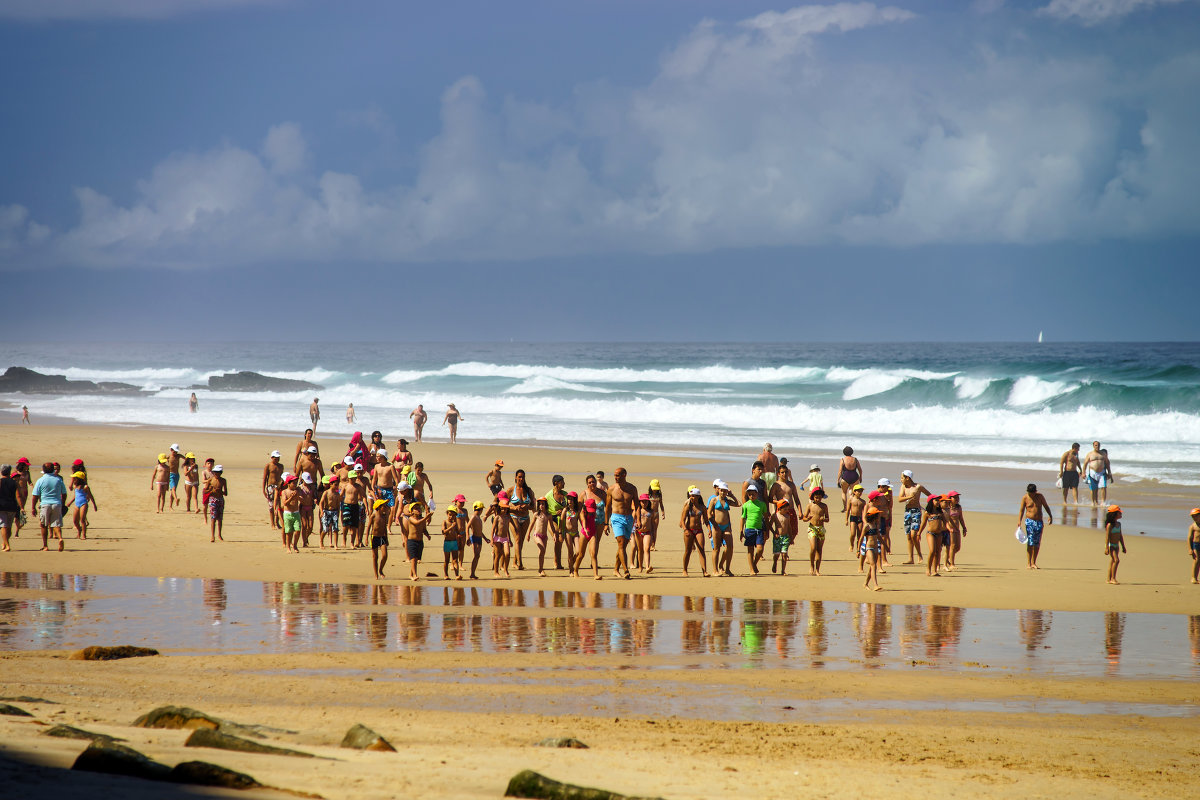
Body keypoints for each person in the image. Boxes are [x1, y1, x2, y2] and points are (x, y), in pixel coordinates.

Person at [605, 467, 637, 579]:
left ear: (624, 475)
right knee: (621, 543)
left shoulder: (632, 489)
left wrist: (638, 520)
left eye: (618, 475)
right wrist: (605, 523)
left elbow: (637, 506)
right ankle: (626, 570)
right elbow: (607, 507)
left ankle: (615, 569)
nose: (615, 477)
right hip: (616, 518)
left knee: (622, 545)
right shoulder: (611, 489)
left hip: (629, 518)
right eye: (614, 475)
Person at [31, 462, 66, 552]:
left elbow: (35, 495)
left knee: (43, 525)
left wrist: (33, 507)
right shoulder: (58, 480)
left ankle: (45, 546)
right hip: (57, 504)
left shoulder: (40, 480)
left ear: (43, 470)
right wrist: (63, 504)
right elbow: (64, 493)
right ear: (53, 470)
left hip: (45, 504)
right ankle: (60, 538)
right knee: (56, 524)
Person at [897, 470, 930, 565]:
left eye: (902, 478)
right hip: (907, 511)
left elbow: (930, 495)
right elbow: (899, 499)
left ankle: (919, 554)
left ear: (908, 478)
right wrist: (909, 497)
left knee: (913, 535)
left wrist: (929, 508)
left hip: (916, 511)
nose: (901, 480)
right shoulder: (903, 486)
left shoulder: (918, 487)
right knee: (908, 536)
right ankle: (910, 559)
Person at [1017, 483, 1053, 569]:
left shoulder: (1040, 496)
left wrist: (1050, 516)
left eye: (1032, 493)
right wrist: (1019, 521)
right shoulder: (1025, 498)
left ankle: (1034, 562)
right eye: (1029, 493)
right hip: (1029, 521)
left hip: (1039, 522)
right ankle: (1028, 563)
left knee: (1037, 543)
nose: (1031, 495)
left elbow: (1046, 506)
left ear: (1035, 492)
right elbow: (1021, 510)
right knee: (1030, 541)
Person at [708, 480, 739, 577]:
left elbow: (738, 504)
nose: (723, 492)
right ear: (718, 490)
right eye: (722, 490)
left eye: (725, 491)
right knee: (716, 549)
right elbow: (709, 514)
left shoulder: (727, 501)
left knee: (730, 547)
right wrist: (714, 525)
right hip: (716, 527)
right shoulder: (714, 500)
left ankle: (727, 569)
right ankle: (715, 570)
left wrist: (732, 495)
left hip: (726, 527)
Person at [680, 487, 710, 577]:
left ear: (698, 496)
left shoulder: (702, 507)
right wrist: (685, 529)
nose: (691, 498)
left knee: (701, 550)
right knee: (688, 551)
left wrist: (709, 530)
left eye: (693, 496)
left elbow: (706, 520)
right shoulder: (688, 507)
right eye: (691, 496)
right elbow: (682, 520)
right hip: (689, 530)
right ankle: (685, 570)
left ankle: (704, 571)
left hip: (699, 530)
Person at [508, 469, 534, 570]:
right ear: (515, 477)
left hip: (525, 518)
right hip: (514, 517)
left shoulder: (528, 490)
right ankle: (520, 563)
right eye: (519, 477)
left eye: (523, 477)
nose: (521, 479)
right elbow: (503, 505)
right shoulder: (511, 490)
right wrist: (514, 508)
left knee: (520, 541)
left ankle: (514, 562)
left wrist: (527, 507)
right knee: (518, 539)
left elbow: (533, 506)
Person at [572, 498, 604, 580]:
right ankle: (575, 570)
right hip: (584, 534)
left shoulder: (594, 512)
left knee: (593, 554)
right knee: (581, 555)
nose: (591, 511)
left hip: (593, 533)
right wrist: (585, 529)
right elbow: (583, 521)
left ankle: (595, 575)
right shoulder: (582, 513)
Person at [740, 483, 768, 576]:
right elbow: (743, 518)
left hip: (759, 529)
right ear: (748, 495)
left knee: (760, 549)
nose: (752, 496)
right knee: (750, 550)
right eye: (750, 494)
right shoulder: (746, 505)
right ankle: (751, 569)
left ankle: (754, 564)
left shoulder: (762, 504)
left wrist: (767, 529)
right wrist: (741, 530)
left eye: (753, 494)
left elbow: (766, 518)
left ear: (757, 494)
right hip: (749, 529)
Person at [402, 501, 433, 581]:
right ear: (411, 511)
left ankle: (411, 574)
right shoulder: (411, 519)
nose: (418, 509)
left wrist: (427, 535)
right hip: (411, 541)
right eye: (415, 508)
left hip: (420, 542)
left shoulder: (422, 519)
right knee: (413, 559)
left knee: (415, 560)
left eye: (419, 508)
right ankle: (415, 575)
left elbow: (424, 529)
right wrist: (426, 517)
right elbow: (417, 523)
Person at [916, 495, 945, 577]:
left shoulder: (940, 512)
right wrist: (919, 533)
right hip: (930, 533)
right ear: (931, 501)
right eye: (936, 500)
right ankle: (928, 569)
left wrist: (949, 528)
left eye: (938, 500)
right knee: (932, 551)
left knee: (938, 552)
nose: (938, 502)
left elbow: (946, 522)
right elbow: (923, 524)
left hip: (939, 534)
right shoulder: (927, 513)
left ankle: (934, 570)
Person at [804, 487, 830, 576]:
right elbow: (804, 518)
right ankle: (811, 565)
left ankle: (817, 569)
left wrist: (824, 519)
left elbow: (828, 518)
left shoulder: (824, 506)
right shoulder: (810, 505)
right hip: (812, 528)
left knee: (819, 550)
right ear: (813, 497)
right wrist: (807, 518)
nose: (818, 499)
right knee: (813, 548)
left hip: (821, 529)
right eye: (816, 497)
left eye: (819, 497)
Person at [0, 465, 24, 551]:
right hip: (12, 506)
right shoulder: (15, 482)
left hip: (2, 506)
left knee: (3, 525)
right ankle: (5, 542)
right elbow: (19, 495)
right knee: (9, 526)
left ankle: (7, 545)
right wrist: (21, 507)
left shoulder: (0, 481)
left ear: (1, 471)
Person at [67, 471, 98, 539]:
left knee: (82, 520)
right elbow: (75, 496)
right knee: (75, 521)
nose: (73, 479)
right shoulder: (75, 486)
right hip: (76, 504)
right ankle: (79, 531)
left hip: (83, 503)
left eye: (75, 478)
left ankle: (84, 535)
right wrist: (70, 502)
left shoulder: (85, 487)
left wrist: (94, 505)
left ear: (79, 479)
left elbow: (91, 496)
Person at [943, 490, 967, 570]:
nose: (957, 499)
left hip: (957, 529)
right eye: (955, 497)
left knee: (957, 547)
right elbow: (946, 519)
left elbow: (961, 518)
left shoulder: (958, 507)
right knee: (952, 546)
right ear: (950, 498)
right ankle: (952, 564)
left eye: (958, 497)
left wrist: (964, 527)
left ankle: (947, 557)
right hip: (950, 529)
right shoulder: (947, 508)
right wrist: (949, 528)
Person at [633, 493, 657, 574]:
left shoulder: (651, 511)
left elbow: (653, 524)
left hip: (648, 532)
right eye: (642, 501)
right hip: (638, 532)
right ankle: (640, 566)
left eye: (646, 502)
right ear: (640, 502)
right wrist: (632, 530)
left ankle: (647, 567)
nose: (644, 503)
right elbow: (632, 521)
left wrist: (654, 535)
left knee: (646, 549)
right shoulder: (637, 510)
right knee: (640, 550)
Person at [1082, 441, 1111, 506]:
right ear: (1093, 446)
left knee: (1103, 487)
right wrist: (1083, 472)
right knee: (1094, 489)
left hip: (1102, 473)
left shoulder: (1103, 453)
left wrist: (1109, 472)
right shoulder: (1090, 454)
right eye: (1096, 445)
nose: (1097, 446)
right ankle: (1094, 502)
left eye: (1098, 445)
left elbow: (1107, 463)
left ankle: (1103, 502)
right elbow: (1085, 464)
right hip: (1093, 473)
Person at [529, 498, 553, 576]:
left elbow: (552, 526)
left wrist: (555, 534)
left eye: (543, 504)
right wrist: (528, 534)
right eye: (540, 504)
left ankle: (541, 570)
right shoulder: (536, 514)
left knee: (542, 553)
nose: (541, 506)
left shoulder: (549, 515)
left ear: (546, 505)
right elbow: (532, 524)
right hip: (537, 535)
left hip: (544, 536)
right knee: (542, 548)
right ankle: (540, 570)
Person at [770, 499, 794, 575]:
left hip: (785, 537)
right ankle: (775, 563)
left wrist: (791, 538)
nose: (786, 511)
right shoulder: (775, 515)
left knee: (784, 554)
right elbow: (770, 526)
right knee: (777, 554)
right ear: (779, 508)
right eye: (785, 509)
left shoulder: (787, 516)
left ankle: (783, 570)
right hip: (777, 537)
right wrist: (774, 533)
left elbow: (789, 527)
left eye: (787, 509)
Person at [862, 507, 884, 591]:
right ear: (873, 516)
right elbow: (861, 538)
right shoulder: (867, 526)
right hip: (869, 548)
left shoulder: (875, 525)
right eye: (877, 515)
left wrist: (886, 546)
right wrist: (858, 550)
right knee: (874, 565)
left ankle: (865, 583)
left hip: (875, 548)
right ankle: (875, 585)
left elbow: (879, 536)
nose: (879, 517)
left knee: (871, 567)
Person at [1104, 505, 1126, 585]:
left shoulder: (1119, 524)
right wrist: (1106, 548)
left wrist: (1123, 546)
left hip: (1117, 546)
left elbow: (1120, 536)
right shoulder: (1110, 525)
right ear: (1114, 514)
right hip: (1111, 546)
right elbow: (1107, 537)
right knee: (1116, 560)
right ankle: (1113, 578)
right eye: (1119, 513)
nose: (1121, 514)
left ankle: (1108, 579)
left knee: (1112, 561)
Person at [467, 500, 489, 579]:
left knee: (477, 556)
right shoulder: (473, 517)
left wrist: (485, 538)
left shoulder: (479, 518)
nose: (482, 511)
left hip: (479, 538)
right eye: (481, 509)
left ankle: (473, 573)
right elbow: (467, 527)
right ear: (478, 509)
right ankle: (472, 573)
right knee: (476, 555)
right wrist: (468, 537)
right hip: (474, 538)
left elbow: (480, 531)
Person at [262, 450, 284, 529]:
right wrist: (264, 489)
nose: (277, 459)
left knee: (279, 505)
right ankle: (272, 524)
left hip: (278, 487)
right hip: (270, 487)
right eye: (275, 458)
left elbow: (282, 478)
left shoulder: (281, 466)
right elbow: (265, 478)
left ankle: (277, 522)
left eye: (278, 458)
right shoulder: (268, 466)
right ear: (272, 458)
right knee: (271, 506)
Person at [836, 446, 862, 512]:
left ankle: (845, 508)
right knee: (852, 493)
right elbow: (860, 469)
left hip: (845, 477)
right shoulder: (855, 459)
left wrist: (838, 480)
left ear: (844, 452)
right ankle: (851, 508)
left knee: (844, 493)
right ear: (852, 452)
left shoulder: (843, 459)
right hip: (854, 477)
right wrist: (860, 477)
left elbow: (840, 471)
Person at [206, 465, 228, 542]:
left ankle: (219, 534)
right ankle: (212, 536)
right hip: (212, 500)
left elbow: (226, 493)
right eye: (215, 472)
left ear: (221, 473)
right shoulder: (210, 480)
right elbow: (205, 491)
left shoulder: (223, 481)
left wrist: (220, 491)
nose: (217, 474)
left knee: (220, 519)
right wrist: (211, 490)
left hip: (220, 500)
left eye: (218, 473)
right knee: (213, 518)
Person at [369, 498, 390, 578]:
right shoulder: (373, 515)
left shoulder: (384, 516)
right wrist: (366, 538)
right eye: (383, 506)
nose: (385, 507)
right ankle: (376, 574)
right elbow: (368, 528)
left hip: (382, 537)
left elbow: (384, 528)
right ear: (378, 507)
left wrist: (387, 538)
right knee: (375, 557)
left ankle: (380, 570)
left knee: (384, 555)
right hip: (374, 537)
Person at [319, 475, 341, 548]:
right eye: (335, 485)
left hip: (334, 512)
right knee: (325, 529)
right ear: (331, 484)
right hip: (326, 511)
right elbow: (321, 502)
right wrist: (322, 511)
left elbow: (338, 505)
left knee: (335, 529)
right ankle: (321, 541)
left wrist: (338, 513)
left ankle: (335, 544)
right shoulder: (326, 492)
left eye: (337, 485)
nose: (336, 486)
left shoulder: (337, 494)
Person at [846, 484, 866, 556]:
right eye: (858, 491)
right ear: (854, 492)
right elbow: (848, 510)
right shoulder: (851, 499)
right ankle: (851, 545)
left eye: (861, 491)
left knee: (860, 534)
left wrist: (865, 520)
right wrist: (846, 519)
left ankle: (858, 548)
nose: (860, 493)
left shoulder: (863, 501)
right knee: (852, 533)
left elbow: (864, 512)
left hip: (860, 518)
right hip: (853, 517)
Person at [165, 443, 184, 510]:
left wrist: (184, 464)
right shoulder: (169, 456)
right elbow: (163, 461)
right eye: (174, 451)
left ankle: (170, 506)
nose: (175, 452)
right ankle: (176, 499)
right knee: (173, 489)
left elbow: (186, 459)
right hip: (170, 475)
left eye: (176, 451)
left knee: (173, 490)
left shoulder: (178, 456)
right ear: (171, 449)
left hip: (177, 475)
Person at [1188, 508, 1200, 585]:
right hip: (1196, 544)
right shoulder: (1193, 526)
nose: (1194, 518)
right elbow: (1189, 537)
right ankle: (1193, 578)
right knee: (1197, 560)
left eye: (1196, 516)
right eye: (1193, 517)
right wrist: (1190, 549)